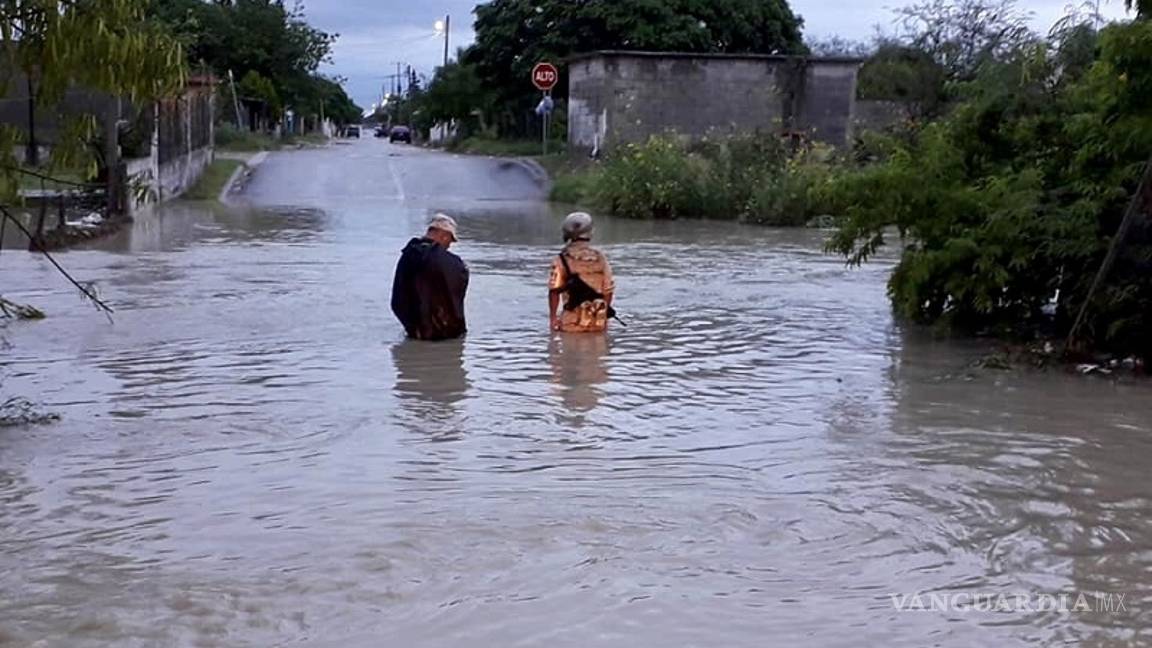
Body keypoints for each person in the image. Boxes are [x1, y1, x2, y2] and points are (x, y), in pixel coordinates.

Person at [391, 214, 469, 340]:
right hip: (443, 338)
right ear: (444, 235)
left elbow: (399, 297)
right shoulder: (450, 262)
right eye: (450, 241)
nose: (449, 245)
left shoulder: (408, 254)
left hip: (413, 329)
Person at [548, 212, 615, 333]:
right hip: (597, 320)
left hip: (571, 321)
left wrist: (553, 318)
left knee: (570, 349)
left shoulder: (561, 259)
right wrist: (605, 318)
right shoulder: (601, 258)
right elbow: (608, 290)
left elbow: (554, 291)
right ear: (590, 232)